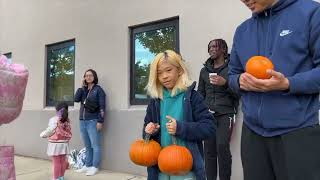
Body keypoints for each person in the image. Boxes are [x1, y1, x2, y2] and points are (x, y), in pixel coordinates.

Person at [228, 0, 320, 180]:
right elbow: (232, 74)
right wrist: (239, 81)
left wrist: (288, 84)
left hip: (297, 132)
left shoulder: (311, 13)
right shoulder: (243, 31)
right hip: (253, 134)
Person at [143, 50, 215, 180]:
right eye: (159, 73)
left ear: (180, 70)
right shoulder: (155, 101)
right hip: (160, 172)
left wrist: (181, 128)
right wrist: (149, 131)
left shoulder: (192, 97)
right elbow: (146, 135)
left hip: (187, 172)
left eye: (168, 70)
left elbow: (209, 128)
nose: (164, 76)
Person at [198, 39, 239, 180]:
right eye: (209, 47)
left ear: (223, 49)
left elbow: (238, 93)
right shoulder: (204, 71)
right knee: (208, 150)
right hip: (208, 116)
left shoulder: (232, 69)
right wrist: (202, 112)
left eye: (215, 46)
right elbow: (200, 94)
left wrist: (225, 83)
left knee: (222, 147)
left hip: (225, 114)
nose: (211, 49)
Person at [74, 69, 106, 176]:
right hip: (82, 121)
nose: (88, 77)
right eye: (86, 76)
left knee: (95, 145)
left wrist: (100, 121)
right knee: (87, 145)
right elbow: (76, 99)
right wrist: (82, 86)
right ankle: (87, 165)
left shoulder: (98, 90)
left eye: (90, 75)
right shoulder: (84, 90)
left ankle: (94, 166)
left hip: (93, 121)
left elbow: (102, 107)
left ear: (94, 77)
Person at [40, 102, 72, 180]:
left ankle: (56, 178)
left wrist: (42, 134)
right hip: (64, 144)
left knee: (56, 162)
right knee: (63, 162)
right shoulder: (67, 120)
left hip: (55, 145)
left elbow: (50, 130)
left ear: (56, 110)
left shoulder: (53, 119)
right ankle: (61, 177)